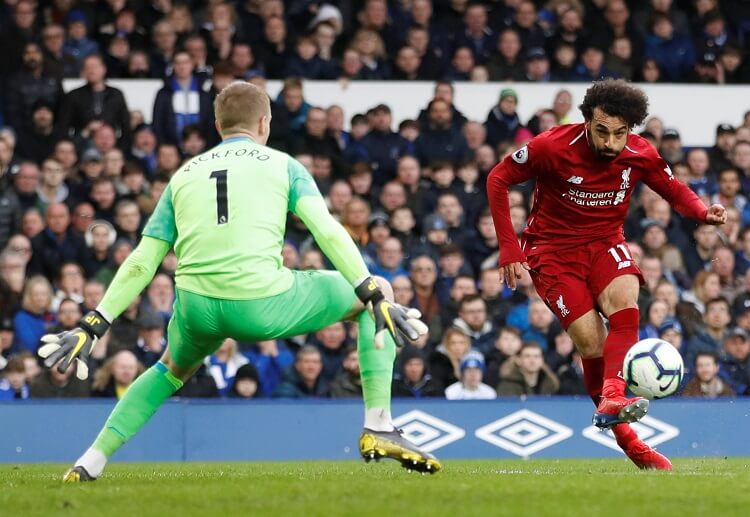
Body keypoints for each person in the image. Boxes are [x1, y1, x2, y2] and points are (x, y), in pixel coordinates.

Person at [37, 82, 435, 482]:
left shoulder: (182, 176)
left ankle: (90, 461)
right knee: (380, 292)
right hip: (259, 303)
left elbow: (143, 259)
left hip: (196, 307)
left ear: (217, 125)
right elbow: (326, 230)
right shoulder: (284, 164)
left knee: (169, 370)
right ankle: (379, 425)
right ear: (264, 122)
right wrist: (367, 288)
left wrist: (96, 323)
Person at [486, 79, 727, 470]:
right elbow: (498, 178)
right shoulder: (552, 146)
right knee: (591, 344)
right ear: (586, 121)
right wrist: (509, 246)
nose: (611, 143)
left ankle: (614, 394)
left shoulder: (639, 152)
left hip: (604, 242)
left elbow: (673, 188)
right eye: (602, 131)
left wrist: (701, 211)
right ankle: (631, 444)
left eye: (620, 133)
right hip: (552, 251)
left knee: (626, 299)